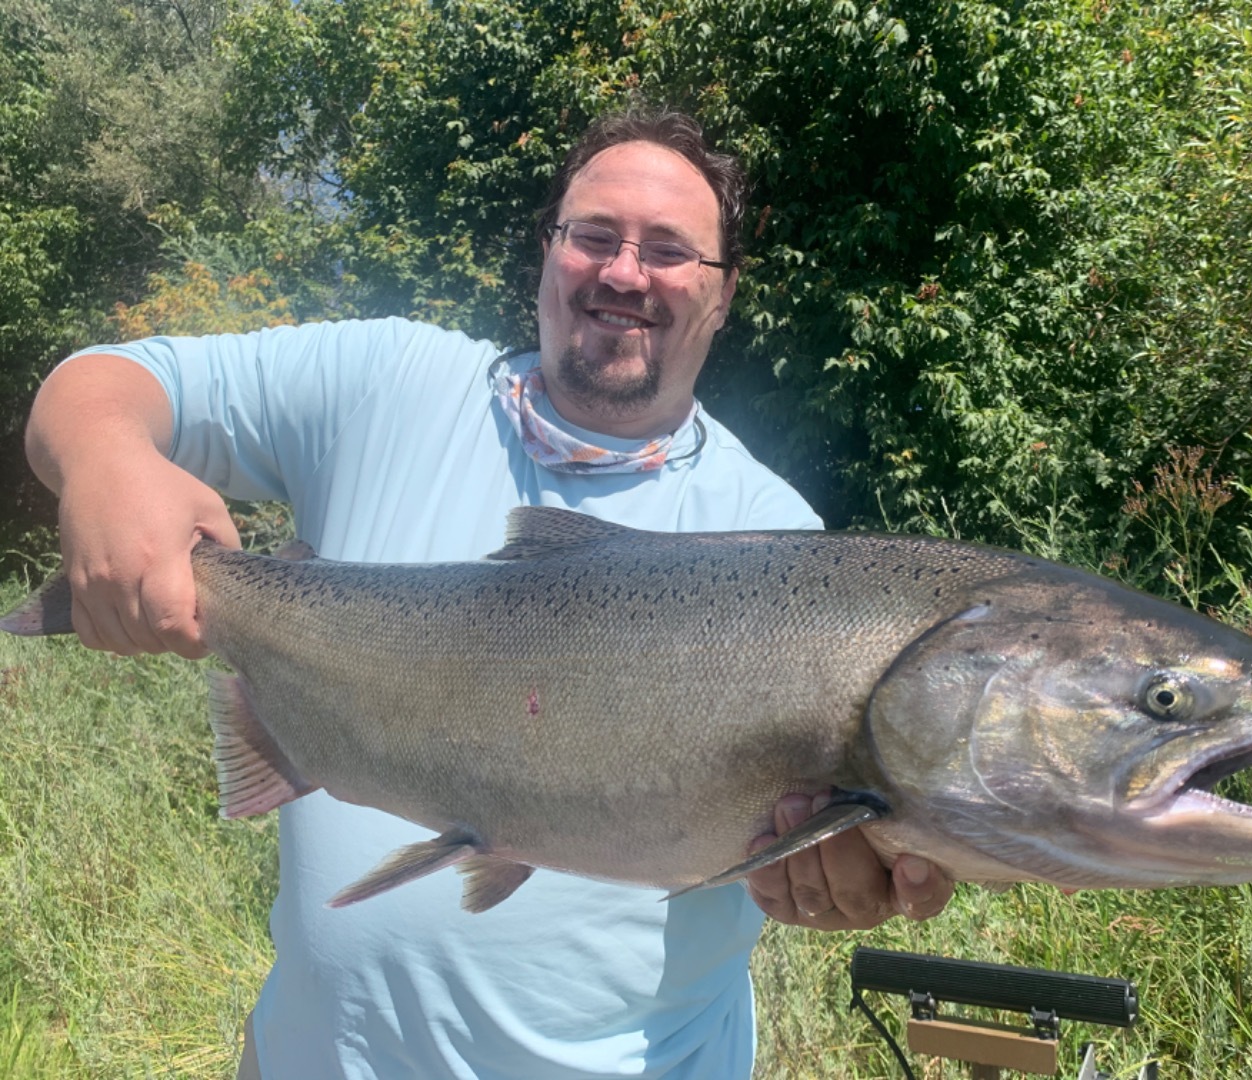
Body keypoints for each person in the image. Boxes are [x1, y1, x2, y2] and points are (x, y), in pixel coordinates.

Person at [24, 106, 954, 1078]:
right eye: (593, 235)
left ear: (723, 295)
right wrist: (105, 464)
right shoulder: (387, 383)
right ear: (548, 253)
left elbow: (785, 859)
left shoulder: (785, 555)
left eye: (671, 251)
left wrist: (819, 881)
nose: (625, 271)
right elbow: (103, 383)